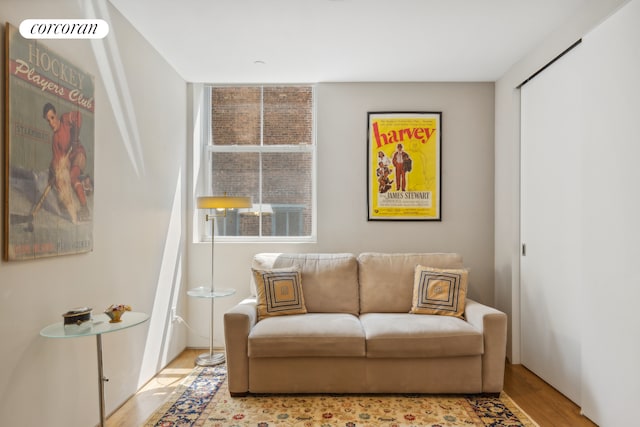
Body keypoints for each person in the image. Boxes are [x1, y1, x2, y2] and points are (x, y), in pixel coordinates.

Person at [43, 102, 91, 223]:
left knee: (73, 176)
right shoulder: (55, 139)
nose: (51, 122)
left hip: (79, 153)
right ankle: (65, 204)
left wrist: (75, 138)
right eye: (48, 120)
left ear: (56, 115)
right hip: (70, 159)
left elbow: (78, 116)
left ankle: (85, 209)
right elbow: (57, 160)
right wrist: (52, 173)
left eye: (52, 118)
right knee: (61, 178)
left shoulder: (65, 119)